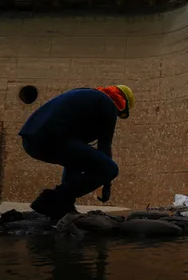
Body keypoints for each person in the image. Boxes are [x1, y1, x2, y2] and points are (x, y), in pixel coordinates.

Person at [18, 85, 134, 221]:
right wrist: (106, 183)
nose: (115, 117)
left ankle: (64, 206)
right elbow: (105, 145)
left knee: (76, 160)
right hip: (52, 138)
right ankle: (49, 199)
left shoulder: (86, 99)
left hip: (31, 142)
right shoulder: (107, 103)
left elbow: (74, 160)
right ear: (120, 103)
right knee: (111, 168)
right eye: (118, 114)